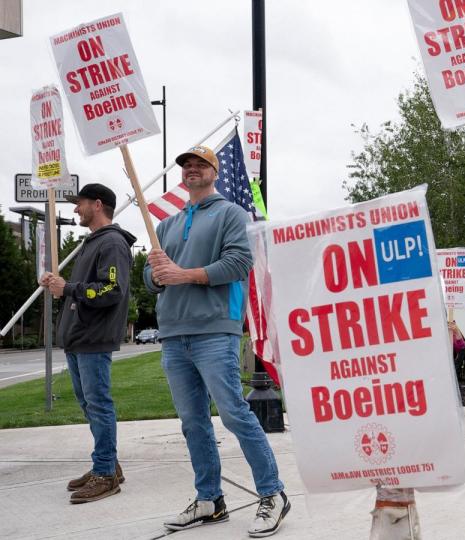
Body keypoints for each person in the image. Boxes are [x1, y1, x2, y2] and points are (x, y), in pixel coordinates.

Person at [144, 145, 290, 537]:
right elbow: (151, 276)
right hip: (174, 332)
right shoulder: (166, 225)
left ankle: (272, 494)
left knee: (234, 415)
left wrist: (182, 274)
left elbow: (239, 263)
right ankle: (210, 500)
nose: (192, 169)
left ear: (215, 170)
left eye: (200, 164)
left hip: (215, 329)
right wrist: (157, 275)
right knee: (193, 422)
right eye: (187, 165)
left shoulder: (231, 214)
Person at [40, 183, 135, 504]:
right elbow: (81, 287)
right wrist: (60, 286)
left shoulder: (111, 243)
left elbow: (112, 290)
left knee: (98, 404)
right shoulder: (92, 242)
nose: (75, 209)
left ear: (97, 204)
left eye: (79, 204)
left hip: (93, 337)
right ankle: (108, 464)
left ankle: (105, 474)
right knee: (89, 405)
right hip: (79, 337)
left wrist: (68, 288)